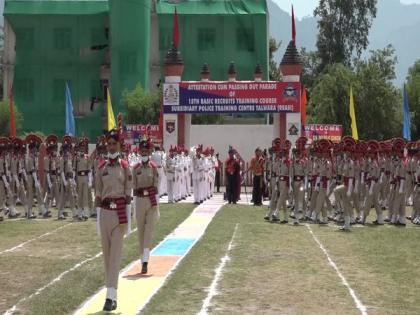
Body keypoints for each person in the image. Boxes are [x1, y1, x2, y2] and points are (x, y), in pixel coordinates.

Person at [95, 129, 132, 312]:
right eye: (108, 144)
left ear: (119, 145)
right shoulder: (101, 167)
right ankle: (113, 294)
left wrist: (129, 221)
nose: (110, 147)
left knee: (115, 257)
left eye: (113, 144)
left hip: (119, 215)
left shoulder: (125, 167)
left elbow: (128, 195)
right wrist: (97, 221)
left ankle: (110, 296)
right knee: (107, 257)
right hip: (105, 214)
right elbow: (98, 194)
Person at [133, 134, 159, 275]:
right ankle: (142, 258)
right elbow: (133, 188)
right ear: (139, 152)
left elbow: (156, 187)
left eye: (146, 151)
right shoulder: (135, 168)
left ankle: (145, 262)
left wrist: (157, 207)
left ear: (149, 152)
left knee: (148, 232)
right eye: (142, 151)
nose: (144, 153)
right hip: (139, 201)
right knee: (141, 233)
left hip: (151, 202)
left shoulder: (153, 167)